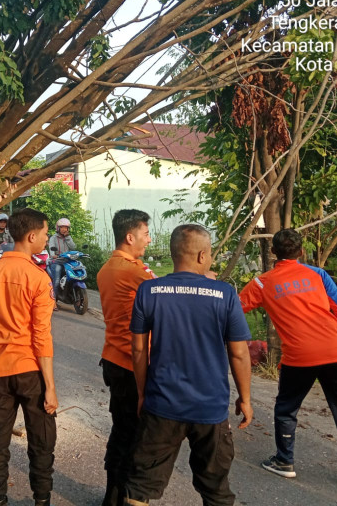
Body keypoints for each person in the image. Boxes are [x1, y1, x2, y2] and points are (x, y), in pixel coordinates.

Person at [124, 224, 253, 506]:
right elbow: (240, 354)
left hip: (162, 406)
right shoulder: (225, 294)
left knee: (141, 485)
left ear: (173, 254)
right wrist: (245, 399)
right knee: (216, 489)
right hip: (210, 409)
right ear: (201, 256)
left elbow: (137, 349)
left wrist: (143, 394)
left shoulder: (149, 291)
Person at [239, 228, 337, 490]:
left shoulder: (262, 283)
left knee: (287, 408)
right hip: (336, 350)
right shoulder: (318, 275)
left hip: (300, 357)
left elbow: (234, 307)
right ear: (301, 252)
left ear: (273, 253)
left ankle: (284, 462)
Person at [0, 208, 58, 506]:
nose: (47, 237)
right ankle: (41, 500)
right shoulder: (39, 278)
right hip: (31, 371)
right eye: (46, 232)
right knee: (42, 441)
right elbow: (41, 337)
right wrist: (50, 386)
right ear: (32, 236)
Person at [96, 209, 155, 506]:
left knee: (122, 429)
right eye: (145, 234)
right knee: (132, 434)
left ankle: (113, 495)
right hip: (131, 363)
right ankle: (121, 498)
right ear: (130, 237)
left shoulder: (108, 268)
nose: (149, 239)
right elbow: (166, 298)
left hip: (114, 358)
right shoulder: (133, 272)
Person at [47, 217, 77, 304]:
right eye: (62, 227)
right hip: (57, 262)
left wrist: (67, 237)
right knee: (56, 280)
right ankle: (53, 302)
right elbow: (51, 249)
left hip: (67, 262)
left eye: (66, 227)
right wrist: (54, 255)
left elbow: (73, 247)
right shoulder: (53, 238)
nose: (64, 229)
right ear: (58, 228)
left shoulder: (68, 238)